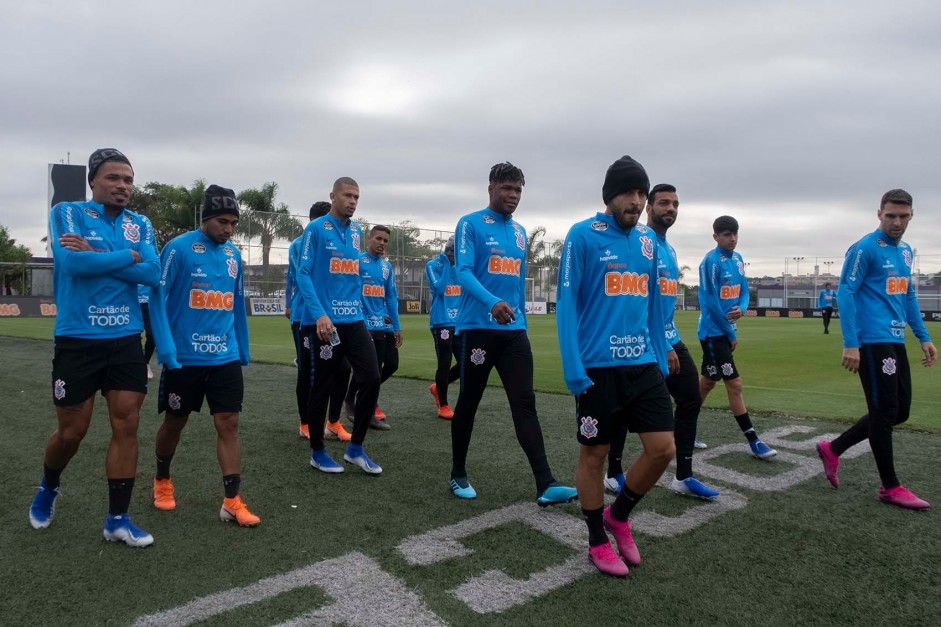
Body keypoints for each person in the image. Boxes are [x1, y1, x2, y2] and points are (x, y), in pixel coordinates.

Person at [29, 148, 159, 547]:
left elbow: (152, 273)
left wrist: (100, 254)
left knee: (127, 425)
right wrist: (124, 258)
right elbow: (71, 264)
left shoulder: (141, 223)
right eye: (114, 178)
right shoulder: (69, 212)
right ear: (93, 181)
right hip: (77, 341)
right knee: (72, 432)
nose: (123, 186)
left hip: (124, 341)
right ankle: (49, 485)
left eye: (128, 180)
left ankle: (117, 519)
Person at [557, 155, 675, 577]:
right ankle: (595, 539)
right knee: (595, 454)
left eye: (642, 194)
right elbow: (566, 302)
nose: (637, 201)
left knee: (663, 448)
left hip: (642, 363)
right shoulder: (582, 236)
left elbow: (654, 305)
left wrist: (660, 358)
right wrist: (573, 366)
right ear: (609, 195)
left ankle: (618, 516)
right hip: (597, 367)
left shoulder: (648, 243)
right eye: (629, 192)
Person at [449, 162, 576, 506]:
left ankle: (545, 483)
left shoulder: (519, 232)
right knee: (469, 402)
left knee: (525, 404)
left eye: (518, 190)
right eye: (506, 188)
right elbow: (462, 272)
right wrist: (492, 303)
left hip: (513, 331)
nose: (512, 196)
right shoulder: (470, 224)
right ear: (490, 187)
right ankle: (458, 473)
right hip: (477, 329)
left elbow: (518, 283)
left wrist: (521, 320)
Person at [816, 189, 936, 510]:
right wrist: (851, 343)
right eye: (890, 216)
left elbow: (907, 297)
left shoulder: (907, 252)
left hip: (895, 340)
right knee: (884, 413)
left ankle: (833, 449)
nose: (897, 222)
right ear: (878, 214)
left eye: (903, 216)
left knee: (900, 412)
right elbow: (846, 292)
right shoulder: (864, 248)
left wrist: (923, 337)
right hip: (871, 340)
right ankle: (890, 487)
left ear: (911, 215)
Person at [148, 185, 260, 527]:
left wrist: (243, 346)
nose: (228, 229)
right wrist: (162, 349)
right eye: (223, 221)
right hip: (185, 358)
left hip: (224, 356)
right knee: (174, 422)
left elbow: (236, 304)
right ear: (207, 217)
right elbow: (157, 299)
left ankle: (231, 500)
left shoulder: (233, 256)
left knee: (229, 423)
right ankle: (162, 479)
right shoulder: (178, 249)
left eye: (234, 223)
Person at [603, 184, 720, 501]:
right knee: (625, 409)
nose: (671, 209)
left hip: (669, 336)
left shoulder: (668, 248)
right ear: (649, 206)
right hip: (645, 340)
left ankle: (683, 475)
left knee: (691, 398)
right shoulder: (639, 241)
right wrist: (660, 345)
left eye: (676, 204)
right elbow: (635, 298)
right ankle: (613, 472)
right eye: (664, 203)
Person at [296, 177, 383, 474]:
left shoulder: (357, 232)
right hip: (325, 323)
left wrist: (361, 309)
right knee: (322, 386)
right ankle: (317, 451)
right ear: (333, 196)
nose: (353, 201)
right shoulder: (316, 229)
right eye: (347, 195)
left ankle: (356, 448)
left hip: (354, 320)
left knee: (372, 377)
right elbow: (303, 273)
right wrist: (319, 313)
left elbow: (353, 275)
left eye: (357, 196)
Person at [697, 216, 777, 460]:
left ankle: (681, 428)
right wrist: (730, 332)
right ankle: (754, 440)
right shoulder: (711, 262)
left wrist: (742, 308)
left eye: (734, 234)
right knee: (735, 384)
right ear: (716, 237)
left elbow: (743, 291)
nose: (731, 238)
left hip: (726, 331)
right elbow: (709, 303)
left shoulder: (739, 260)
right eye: (726, 234)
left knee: (707, 383)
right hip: (713, 333)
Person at [287, 201, 353, 441]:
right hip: (306, 316)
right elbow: (301, 276)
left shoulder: (343, 236)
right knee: (308, 371)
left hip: (334, 315)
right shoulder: (300, 244)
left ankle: (333, 421)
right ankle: (306, 422)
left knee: (343, 368)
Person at [344, 225, 403, 429]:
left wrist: (396, 326)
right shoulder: (358, 262)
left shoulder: (387, 267)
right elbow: (350, 290)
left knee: (389, 365)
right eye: (378, 239)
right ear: (368, 239)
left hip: (382, 324)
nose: (382, 243)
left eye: (385, 241)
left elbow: (391, 297)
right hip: (363, 324)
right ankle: (364, 411)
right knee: (372, 372)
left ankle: (355, 398)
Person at [425, 235, 461, 419]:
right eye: (455, 254)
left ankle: (438, 387)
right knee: (445, 363)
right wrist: (447, 263)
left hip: (460, 322)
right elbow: (439, 288)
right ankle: (444, 406)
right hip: (441, 322)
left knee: (465, 363)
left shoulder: (462, 266)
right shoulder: (433, 265)